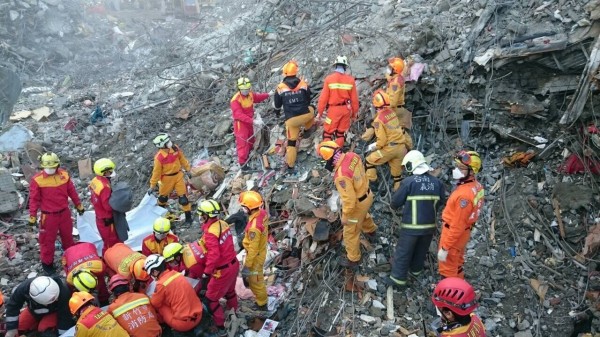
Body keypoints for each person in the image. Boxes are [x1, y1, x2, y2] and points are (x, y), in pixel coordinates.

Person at [385, 150, 445, 288]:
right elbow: (442, 200)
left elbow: (395, 202)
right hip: (429, 226)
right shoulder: (437, 183)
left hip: (411, 227)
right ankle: (415, 271)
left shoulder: (409, 182)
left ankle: (398, 280)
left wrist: (394, 207)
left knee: (403, 252)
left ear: (411, 166)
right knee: (421, 250)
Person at [316, 141, 377, 267]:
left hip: (358, 203)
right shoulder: (352, 155)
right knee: (363, 215)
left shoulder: (341, 176)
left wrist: (345, 217)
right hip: (367, 194)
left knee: (350, 232)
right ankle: (372, 231)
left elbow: (349, 200)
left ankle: (354, 259)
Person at [29, 152, 85, 274]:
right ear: (42, 166)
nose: (50, 170)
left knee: (68, 238)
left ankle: (71, 259)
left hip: (64, 213)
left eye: (52, 167)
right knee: (47, 242)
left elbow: (72, 191)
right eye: (47, 167)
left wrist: (78, 205)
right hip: (48, 216)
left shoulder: (64, 175)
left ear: (57, 164)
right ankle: (47, 265)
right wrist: (32, 216)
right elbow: (34, 199)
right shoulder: (37, 180)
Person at [438, 150, 484, 279]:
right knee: (457, 262)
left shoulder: (464, 195)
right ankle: (461, 285)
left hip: (453, 233)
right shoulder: (476, 186)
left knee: (448, 266)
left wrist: (445, 247)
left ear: (472, 171)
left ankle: (449, 295)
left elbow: (457, 224)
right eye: (457, 166)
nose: (457, 170)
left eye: (461, 168)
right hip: (464, 232)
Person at [197, 199, 239, 336]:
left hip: (222, 271)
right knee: (230, 292)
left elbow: (214, 256)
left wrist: (206, 274)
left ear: (206, 215)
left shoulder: (210, 232)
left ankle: (221, 328)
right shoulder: (222, 224)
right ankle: (234, 314)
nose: (200, 217)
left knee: (211, 300)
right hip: (233, 264)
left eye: (201, 214)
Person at [273, 60, 315, 175]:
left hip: (292, 120)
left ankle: (291, 167)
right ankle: (307, 129)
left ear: (284, 73)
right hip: (305, 115)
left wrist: (277, 113)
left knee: (291, 143)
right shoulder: (303, 84)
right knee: (311, 108)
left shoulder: (280, 87)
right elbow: (309, 98)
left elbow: (277, 105)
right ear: (296, 72)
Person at [145, 254, 203, 335]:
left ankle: (164, 325)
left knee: (161, 306)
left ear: (155, 271)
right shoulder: (177, 274)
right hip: (199, 315)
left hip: (183, 324)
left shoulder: (161, 284)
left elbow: (155, 303)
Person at [364, 90, 410, 191]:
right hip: (401, 148)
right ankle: (397, 191)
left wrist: (373, 148)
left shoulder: (377, 121)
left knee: (369, 161)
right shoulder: (392, 113)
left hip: (389, 149)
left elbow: (382, 141)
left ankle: (373, 183)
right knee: (397, 175)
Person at [5, 276, 74, 337]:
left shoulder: (64, 293)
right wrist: (11, 329)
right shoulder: (24, 288)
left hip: (54, 312)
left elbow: (65, 318)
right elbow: (13, 306)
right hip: (33, 311)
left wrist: (62, 334)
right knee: (18, 327)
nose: (56, 300)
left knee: (44, 330)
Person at [149, 133, 193, 225]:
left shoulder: (175, 148)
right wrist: (152, 186)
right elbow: (156, 172)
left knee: (183, 199)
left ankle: (188, 219)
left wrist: (188, 169)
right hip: (166, 179)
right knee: (162, 199)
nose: (170, 143)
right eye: (167, 142)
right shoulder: (159, 158)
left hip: (178, 176)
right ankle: (160, 218)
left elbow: (182, 159)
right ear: (162, 145)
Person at [316, 56, 359, 147]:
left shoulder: (329, 79)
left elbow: (323, 99)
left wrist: (320, 112)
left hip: (333, 110)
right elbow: (354, 100)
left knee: (328, 133)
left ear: (335, 66)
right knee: (340, 133)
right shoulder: (350, 80)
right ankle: (338, 155)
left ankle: (327, 155)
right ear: (345, 67)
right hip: (346, 110)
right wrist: (354, 114)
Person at [230, 77, 271, 169]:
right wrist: (254, 121)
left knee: (251, 141)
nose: (246, 91)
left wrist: (268, 94)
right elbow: (238, 115)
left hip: (249, 122)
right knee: (243, 143)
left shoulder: (250, 94)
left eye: (247, 89)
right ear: (239, 89)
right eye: (244, 90)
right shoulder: (235, 100)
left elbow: (257, 97)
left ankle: (250, 156)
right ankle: (243, 165)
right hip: (241, 124)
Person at [239, 191, 269, 311]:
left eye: (244, 206)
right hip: (260, 251)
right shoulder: (262, 213)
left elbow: (253, 249)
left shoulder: (254, 228)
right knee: (256, 280)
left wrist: (247, 266)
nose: (242, 208)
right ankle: (261, 300)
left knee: (256, 282)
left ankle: (262, 304)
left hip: (255, 257)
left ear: (249, 208)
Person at [89, 158, 122, 255]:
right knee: (111, 243)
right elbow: (108, 206)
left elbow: (93, 199)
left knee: (107, 241)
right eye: (109, 171)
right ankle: (109, 261)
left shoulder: (95, 181)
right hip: (107, 221)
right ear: (105, 172)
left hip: (100, 218)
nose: (111, 173)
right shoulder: (105, 187)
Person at [62, 242, 110, 306]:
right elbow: (74, 294)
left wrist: (97, 294)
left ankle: (104, 302)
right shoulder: (70, 280)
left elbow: (101, 282)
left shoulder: (99, 267)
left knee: (102, 288)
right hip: (70, 253)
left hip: (87, 247)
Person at [386, 57, 413, 149]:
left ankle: (410, 148)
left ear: (395, 70)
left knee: (400, 131)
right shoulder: (398, 77)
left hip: (394, 109)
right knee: (400, 131)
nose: (388, 69)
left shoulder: (396, 83)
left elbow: (393, 101)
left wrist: (385, 106)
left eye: (390, 68)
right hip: (398, 108)